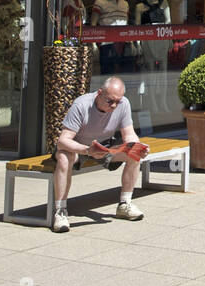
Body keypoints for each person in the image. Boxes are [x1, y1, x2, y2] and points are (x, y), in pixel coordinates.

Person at [51, 77, 146, 233]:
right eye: (110, 101)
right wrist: (87, 151)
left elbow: (129, 134)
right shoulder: (81, 105)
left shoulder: (123, 104)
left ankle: (125, 204)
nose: (114, 105)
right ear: (99, 93)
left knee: (134, 153)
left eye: (118, 101)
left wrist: (137, 146)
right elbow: (63, 141)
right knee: (63, 158)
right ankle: (60, 211)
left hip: (104, 146)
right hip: (78, 147)